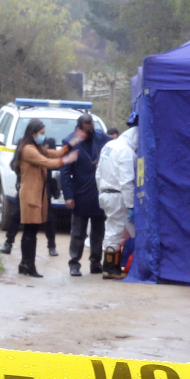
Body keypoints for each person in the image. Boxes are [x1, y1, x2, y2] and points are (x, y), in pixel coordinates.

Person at [12, 119, 81, 277]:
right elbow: (48, 162)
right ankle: (28, 265)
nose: (43, 136)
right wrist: (67, 161)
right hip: (30, 195)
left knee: (32, 231)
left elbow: (54, 153)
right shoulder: (28, 149)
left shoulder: (36, 147)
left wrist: (71, 143)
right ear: (33, 133)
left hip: (36, 194)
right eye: (41, 134)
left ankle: (25, 264)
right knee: (30, 231)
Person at [61, 114, 110, 276]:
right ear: (79, 129)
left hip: (99, 194)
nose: (91, 133)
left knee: (98, 232)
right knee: (78, 233)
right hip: (80, 194)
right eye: (87, 130)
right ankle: (74, 263)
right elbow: (65, 173)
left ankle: (96, 262)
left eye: (92, 129)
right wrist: (68, 196)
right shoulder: (70, 142)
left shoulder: (102, 139)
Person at [96, 113, 138, 279]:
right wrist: (131, 206)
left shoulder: (110, 145)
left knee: (111, 230)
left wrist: (100, 192)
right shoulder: (126, 152)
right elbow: (127, 181)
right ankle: (111, 268)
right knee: (118, 233)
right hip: (118, 196)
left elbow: (98, 172)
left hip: (106, 193)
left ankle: (109, 266)